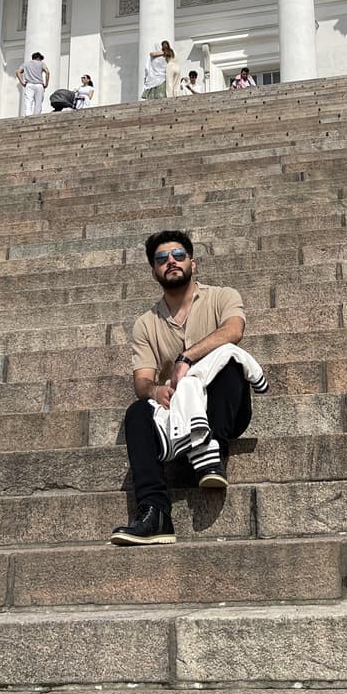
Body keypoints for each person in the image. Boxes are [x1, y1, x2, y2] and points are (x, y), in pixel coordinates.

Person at [111, 230, 265, 546]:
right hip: (179, 418)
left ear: (193, 263)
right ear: (154, 270)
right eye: (161, 258)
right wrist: (155, 392)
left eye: (179, 255)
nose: (171, 261)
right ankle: (155, 513)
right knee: (138, 413)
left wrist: (187, 357)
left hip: (225, 408)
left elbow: (234, 331)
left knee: (229, 361)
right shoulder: (146, 323)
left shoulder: (223, 296)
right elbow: (142, 380)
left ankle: (213, 452)